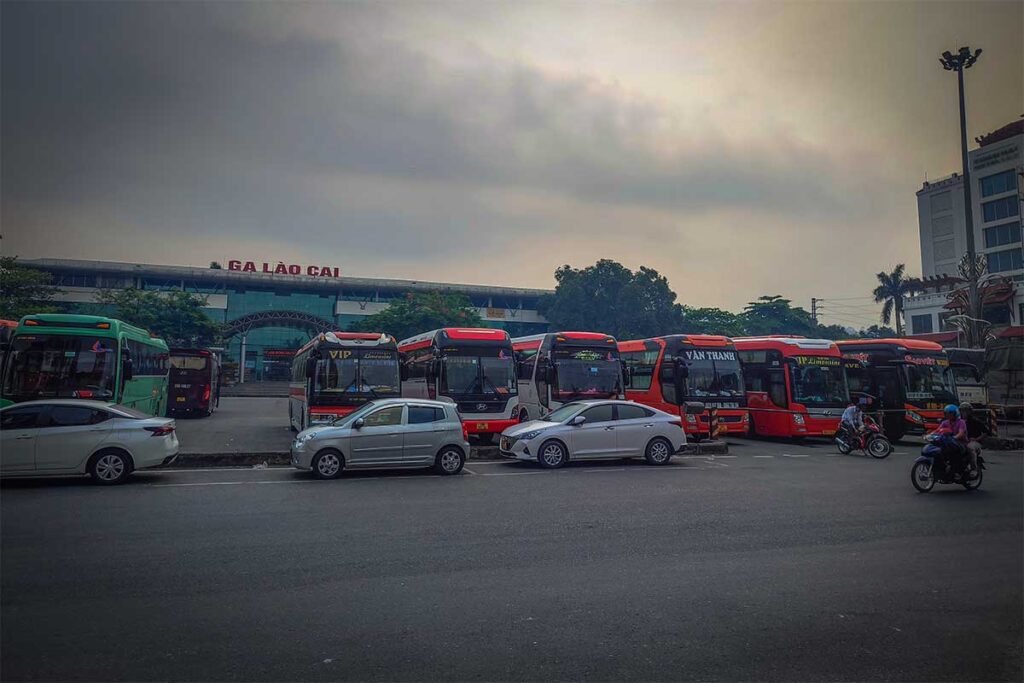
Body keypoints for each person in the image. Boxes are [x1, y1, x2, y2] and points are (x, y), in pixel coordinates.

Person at [959, 403, 989, 474]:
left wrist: (976, 439)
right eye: (962, 410)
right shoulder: (958, 421)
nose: (964, 412)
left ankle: (973, 469)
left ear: (970, 411)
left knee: (970, 448)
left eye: (966, 410)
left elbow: (986, 432)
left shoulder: (975, 421)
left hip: (974, 442)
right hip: (962, 441)